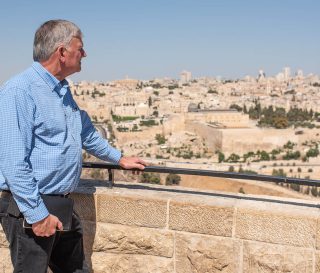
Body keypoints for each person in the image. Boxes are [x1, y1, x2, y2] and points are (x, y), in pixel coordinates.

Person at [0, 19, 146, 273]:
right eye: (80, 47)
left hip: (62, 205)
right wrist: (38, 215)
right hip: (32, 207)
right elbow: (13, 162)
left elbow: (84, 132)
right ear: (62, 52)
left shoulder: (60, 90)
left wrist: (118, 158)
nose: (85, 54)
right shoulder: (19, 91)